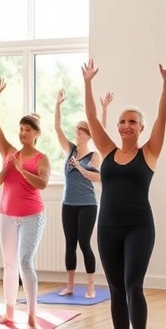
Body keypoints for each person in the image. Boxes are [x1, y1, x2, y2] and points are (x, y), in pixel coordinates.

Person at [82, 57, 166, 329]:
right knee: (114, 290)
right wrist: (87, 83)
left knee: (132, 286)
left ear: (140, 128)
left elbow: (163, 117)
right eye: (123, 121)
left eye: (133, 122)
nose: (126, 125)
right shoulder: (108, 151)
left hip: (139, 227)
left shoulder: (149, 152)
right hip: (108, 228)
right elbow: (90, 117)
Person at [0, 80, 50, 329]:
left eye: (27, 129)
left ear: (36, 133)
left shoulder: (41, 158)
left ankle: (32, 315)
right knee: (9, 263)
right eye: (21, 129)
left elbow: (43, 184)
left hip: (32, 216)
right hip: (6, 215)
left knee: (25, 261)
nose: (22, 133)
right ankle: (10, 311)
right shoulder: (9, 151)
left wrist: (21, 171)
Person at [53, 89, 112, 298]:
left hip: (87, 204)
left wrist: (80, 168)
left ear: (88, 136)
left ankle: (91, 286)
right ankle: (69, 285)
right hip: (68, 203)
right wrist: (58, 105)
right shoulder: (69, 150)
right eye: (76, 132)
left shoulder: (94, 156)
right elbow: (57, 128)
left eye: (81, 132)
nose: (77, 135)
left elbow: (98, 178)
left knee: (84, 243)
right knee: (70, 243)